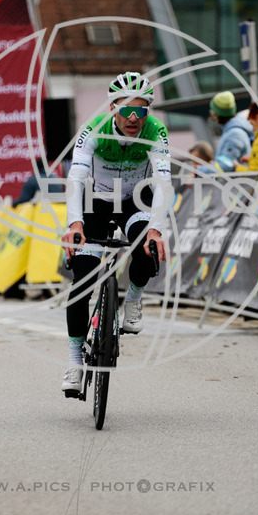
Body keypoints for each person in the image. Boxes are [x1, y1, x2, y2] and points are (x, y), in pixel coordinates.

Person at [59, 72, 169, 394]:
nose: (134, 118)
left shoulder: (156, 131)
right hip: (96, 203)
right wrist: (74, 224)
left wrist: (156, 231)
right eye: (126, 111)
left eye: (142, 111)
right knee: (81, 284)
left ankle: (132, 300)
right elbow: (76, 179)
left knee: (147, 249)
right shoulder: (93, 130)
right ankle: (75, 363)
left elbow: (163, 183)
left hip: (137, 200)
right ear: (113, 109)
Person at [208, 91, 253, 171]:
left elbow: (226, 166)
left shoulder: (235, 134)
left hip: (235, 183)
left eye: (212, 111)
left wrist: (199, 171)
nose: (212, 115)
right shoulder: (232, 132)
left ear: (217, 114)